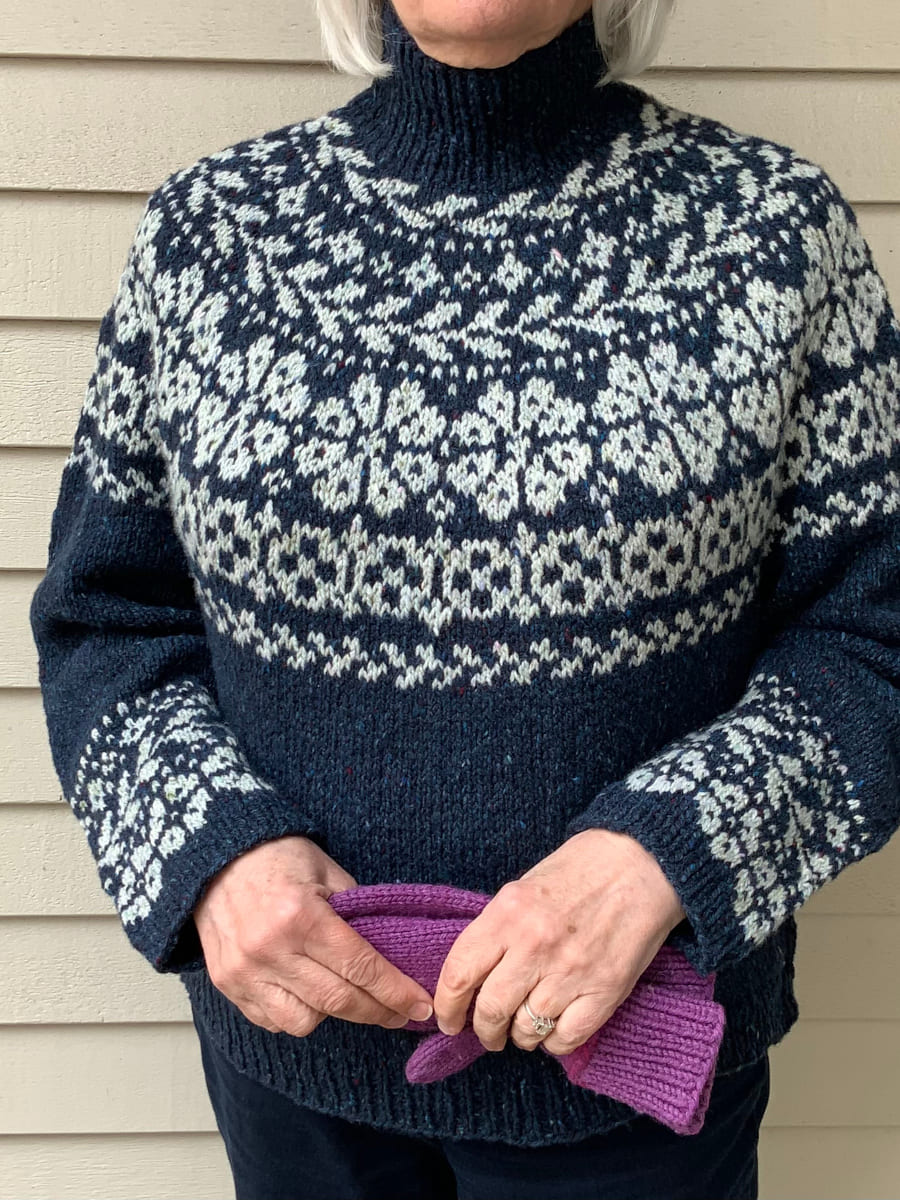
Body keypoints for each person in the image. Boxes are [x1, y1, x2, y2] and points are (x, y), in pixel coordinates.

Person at [29, 0, 900, 1196]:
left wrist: (672, 850)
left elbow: (873, 631)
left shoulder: (770, 232)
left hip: (637, 1099)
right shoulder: (213, 237)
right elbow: (106, 620)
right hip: (297, 1082)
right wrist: (210, 853)